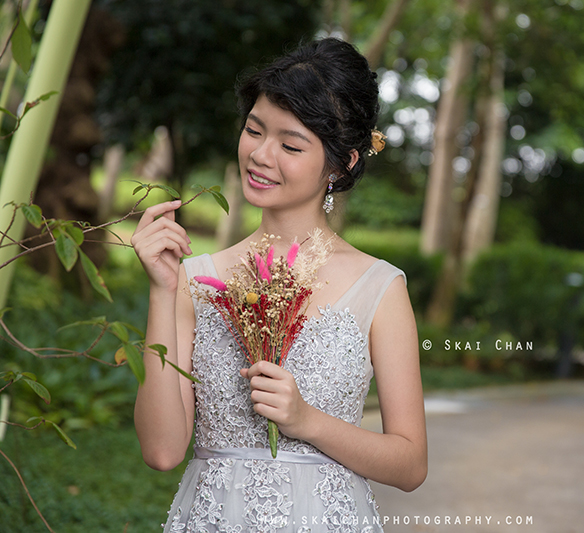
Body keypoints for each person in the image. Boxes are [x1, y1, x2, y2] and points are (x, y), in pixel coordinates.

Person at [131, 38, 427, 532]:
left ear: (342, 163)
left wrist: (307, 421)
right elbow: (162, 452)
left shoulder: (380, 286)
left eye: (291, 145)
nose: (261, 155)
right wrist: (162, 291)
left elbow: (411, 464)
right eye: (253, 130)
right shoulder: (194, 278)